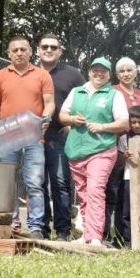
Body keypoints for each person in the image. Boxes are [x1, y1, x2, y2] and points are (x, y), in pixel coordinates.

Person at [0, 35, 55, 238]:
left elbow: (49, 102)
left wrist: (45, 119)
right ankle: (12, 224)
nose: (19, 53)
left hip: (34, 137)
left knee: (35, 182)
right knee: (8, 182)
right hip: (6, 136)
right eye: (14, 50)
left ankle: (35, 227)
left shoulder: (42, 75)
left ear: (30, 52)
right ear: (8, 53)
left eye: (23, 49)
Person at [61, 58, 129, 245]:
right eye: (95, 70)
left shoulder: (113, 95)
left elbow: (124, 122)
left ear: (109, 75)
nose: (99, 74)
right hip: (76, 150)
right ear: (89, 72)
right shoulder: (77, 92)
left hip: (102, 149)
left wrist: (102, 126)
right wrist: (73, 119)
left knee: (95, 190)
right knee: (83, 193)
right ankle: (86, 235)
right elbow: (62, 116)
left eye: (103, 71)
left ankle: (96, 237)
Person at [36, 33, 85, 240]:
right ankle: (41, 229)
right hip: (33, 138)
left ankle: (63, 230)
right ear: (37, 49)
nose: (48, 50)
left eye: (53, 47)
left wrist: (72, 124)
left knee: (60, 183)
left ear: (60, 50)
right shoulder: (30, 72)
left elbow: (85, 100)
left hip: (59, 136)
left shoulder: (73, 74)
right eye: (45, 47)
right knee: (37, 184)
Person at [103, 57, 140, 244]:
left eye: (130, 70)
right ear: (117, 74)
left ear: (136, 72)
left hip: (136, 152)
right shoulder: (112, 91)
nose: (126, 74)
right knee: (111, 193)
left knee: (127, 194)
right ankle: (105, 233)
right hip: (115, 148)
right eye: (122, 71)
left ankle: (125, 236)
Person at [110, 105, 140, 246]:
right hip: (127, 179)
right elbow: (118, 162)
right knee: (126, 211)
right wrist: (124, 156)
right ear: (129, 122)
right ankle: (128, 241)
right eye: (133, 122)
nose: (137, 125)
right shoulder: (124, 138)